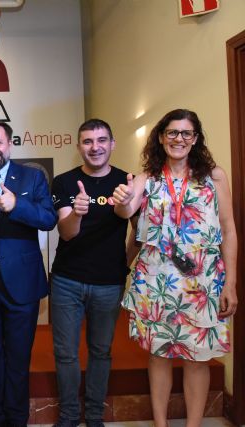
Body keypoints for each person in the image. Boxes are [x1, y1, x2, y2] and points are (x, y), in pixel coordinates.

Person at [112, 109, 238, 427]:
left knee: (197, 359)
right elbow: (125, 210)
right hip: (157, 281)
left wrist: (231, 283)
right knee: (159, 355)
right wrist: (122, 200)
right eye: (172, 132)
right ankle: (161, 424)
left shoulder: (214, 176)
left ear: (195, 139)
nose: (178, 139)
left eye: (185, 133)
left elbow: (228, 230)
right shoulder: (147, 179)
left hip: (203, 282)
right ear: (161, 137)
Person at [0, 120, 57, 427]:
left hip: (21, 283)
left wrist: (18, 205)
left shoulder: (32, 177)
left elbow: (48, 219)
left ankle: (17, 418)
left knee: (18, 357)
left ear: (10, 145)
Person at [50, 119, 134, 427]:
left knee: (101, 351)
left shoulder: (127, 181)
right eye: (87, 141)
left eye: (101, 140)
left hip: (109, 282)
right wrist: (77, 213)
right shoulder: (64, 182)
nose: (95, 147)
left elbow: (136, 229)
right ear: (78, 146)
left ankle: (95, 415)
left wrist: (123, 263)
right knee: (66, 354)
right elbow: (67, 232)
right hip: (67, 280)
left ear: (112, 144)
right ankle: (69, 416)